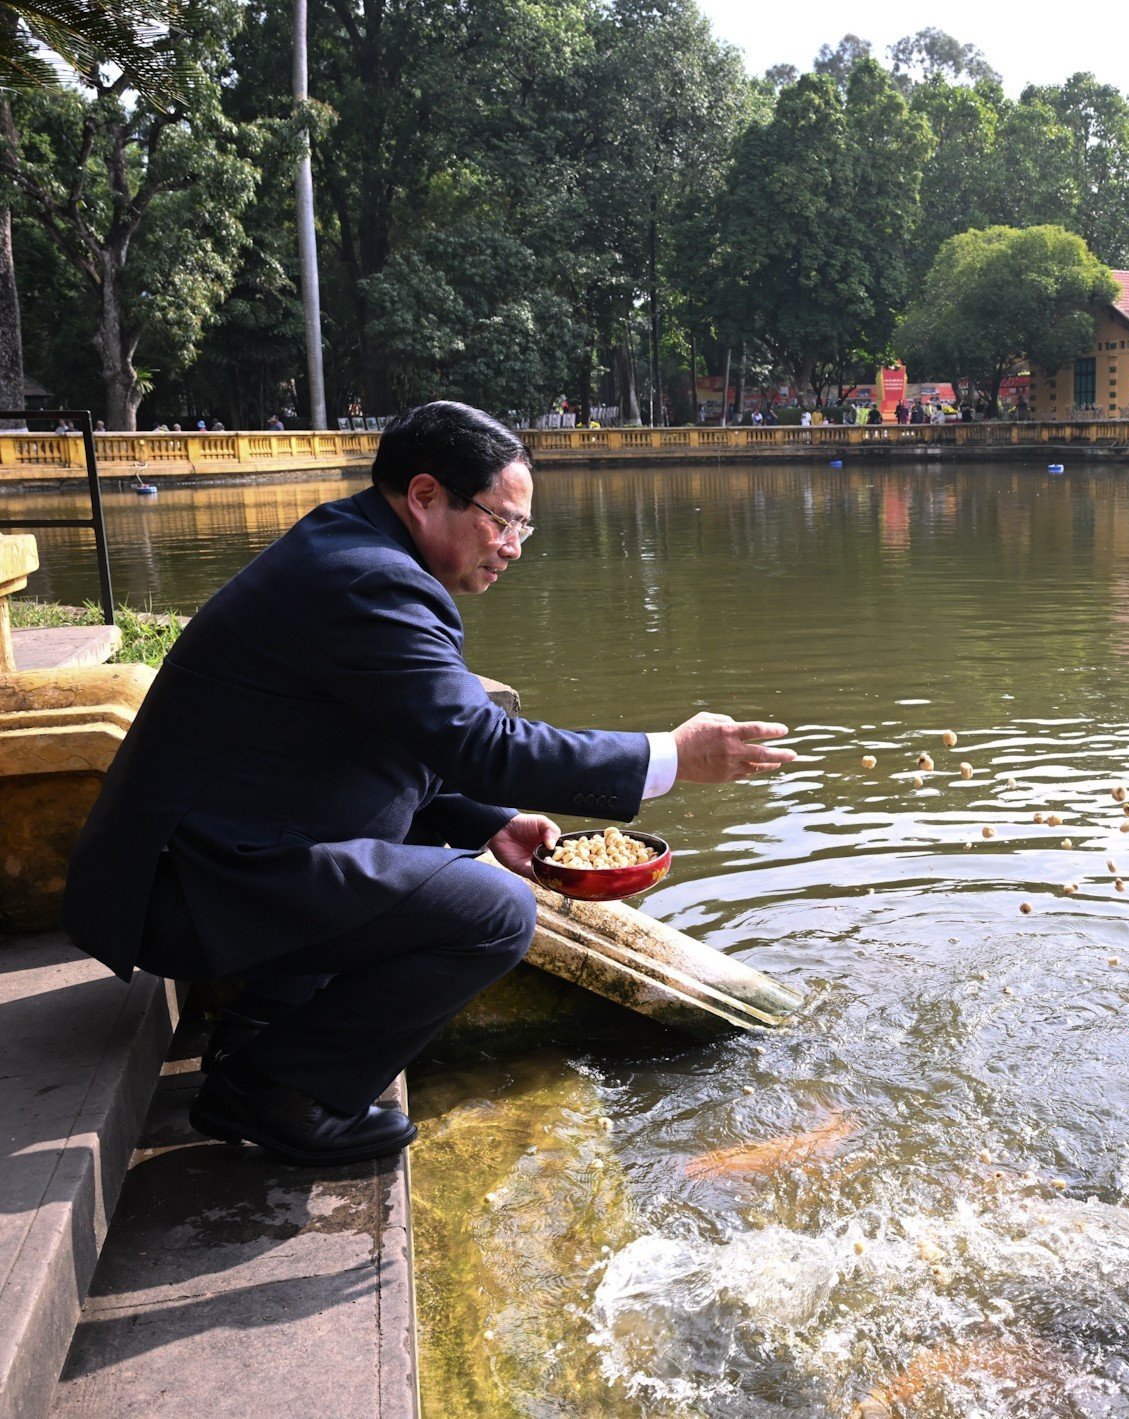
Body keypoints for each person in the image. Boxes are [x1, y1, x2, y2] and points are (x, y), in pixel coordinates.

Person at [62, 401, 795, 1166]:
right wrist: (670, 756)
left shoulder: (353, 547)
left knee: (400, 858)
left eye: (524, 529)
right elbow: (479, 740)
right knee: (496, 912)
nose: (513, 547)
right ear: (423, 495)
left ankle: (262, 1029)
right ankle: (276, 1087)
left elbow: (391, 735)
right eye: (500, 521)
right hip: (190, 885)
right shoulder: (368, 581)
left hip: (205, 857)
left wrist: (487, 821)